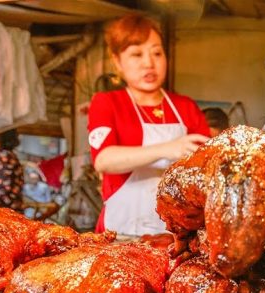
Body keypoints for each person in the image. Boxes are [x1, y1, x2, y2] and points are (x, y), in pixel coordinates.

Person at [88, 13, 210, 236]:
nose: (149, 63)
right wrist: (167, 149)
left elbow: (209, 165)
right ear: (117, 61)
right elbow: (104, 160)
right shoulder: (107, 103)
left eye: (156, 53)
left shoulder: (185, 107)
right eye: (136, 54)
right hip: (122, 231)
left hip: (178, 234)